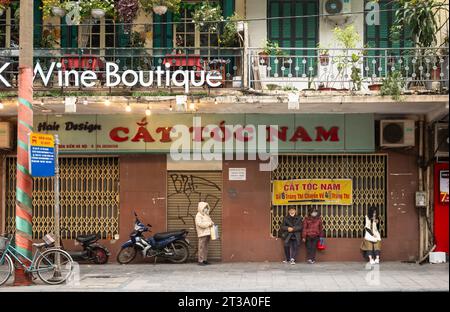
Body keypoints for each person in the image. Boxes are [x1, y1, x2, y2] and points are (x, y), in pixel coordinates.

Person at [195, 202, 214, 266]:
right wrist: (209, 224)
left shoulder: (206, 215)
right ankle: (200, 261)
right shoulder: (198, 215)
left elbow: (210, 222)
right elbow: (200, 224)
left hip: (208, 233)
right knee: (201, 247)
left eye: (206, 207)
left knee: (205, 247)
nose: (206, 209)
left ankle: (204, 260)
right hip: (202, 233)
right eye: (204, 207)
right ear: (201, 208)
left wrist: (212, 223)